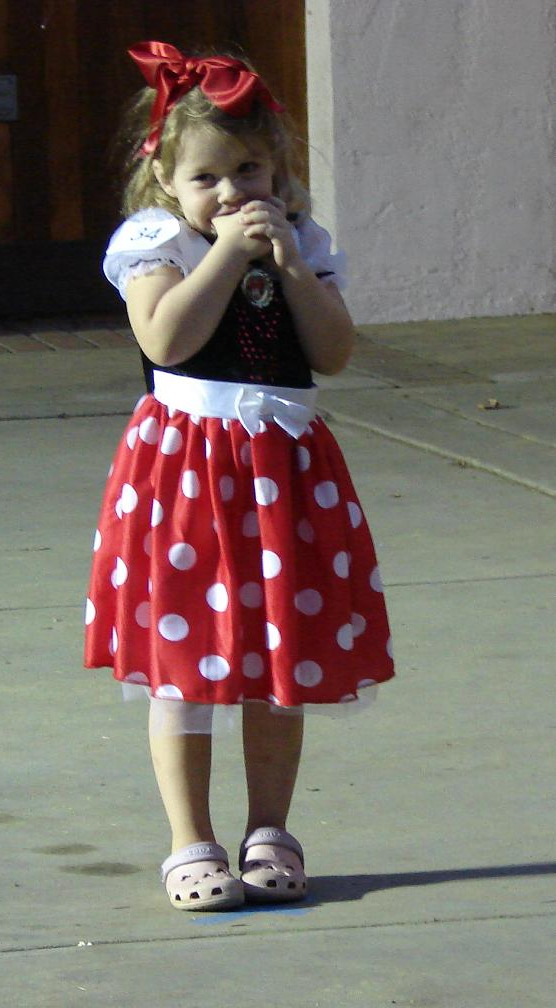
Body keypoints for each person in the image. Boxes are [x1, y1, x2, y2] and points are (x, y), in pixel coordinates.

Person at [84, 40, 394, 912]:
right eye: (206, 177)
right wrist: (223, 255)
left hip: (283, 470)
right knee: (184, 662)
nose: (230, 193)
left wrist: (290, 264)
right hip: (188, 473)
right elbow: (166, 339)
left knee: (276, 657)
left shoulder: (303, 244)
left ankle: (270, 831)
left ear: (278, 171)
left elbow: (331, 353)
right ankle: (191, 842)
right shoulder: (157, 243)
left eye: (248, 171)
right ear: (164, 179)